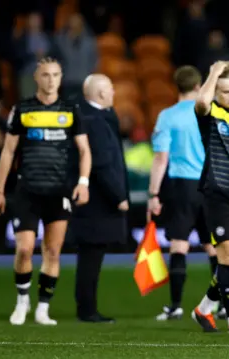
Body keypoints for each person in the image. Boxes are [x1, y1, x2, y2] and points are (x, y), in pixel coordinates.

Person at [0, 57, 92, 326]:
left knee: (53, 251)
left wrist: (83, 182)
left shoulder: (71, 108)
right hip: (27, 190)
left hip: (59, 191)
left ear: (61, 77)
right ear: (36, 77)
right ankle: (22, 301)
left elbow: (84, 150)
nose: (51, 80)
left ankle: (43, 308)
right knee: (24, 250)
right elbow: (8, 151)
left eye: (56, 75)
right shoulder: (22, 109)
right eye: (46, 75)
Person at [147, 65, 220, 321]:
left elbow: (160, 158)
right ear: (199, 86)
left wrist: (153, 194)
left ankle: (176, 306)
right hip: (210, 185)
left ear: (176, 86)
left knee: (179, 245)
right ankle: (220, 304)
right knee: (213, 247)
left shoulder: (167, 116)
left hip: (181, 187)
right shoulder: (210, 111)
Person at [190, 60, 229, 334]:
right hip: (218, 193)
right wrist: (214, 71)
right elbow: (201, 102)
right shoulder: (211, 113)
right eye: (225, 91)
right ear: (216, 91)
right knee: (226, 258)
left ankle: (204, 308)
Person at [69, 74, 129, 323]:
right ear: (102, 94)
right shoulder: (94, 120)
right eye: (111, 89)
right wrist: (119, 197)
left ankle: (87, 306)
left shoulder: (92, 116)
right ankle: (87, 309)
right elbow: (103, 164)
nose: (114, 93)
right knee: (91, 257)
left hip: (94, 201)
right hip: (97, 203)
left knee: (91, 256)